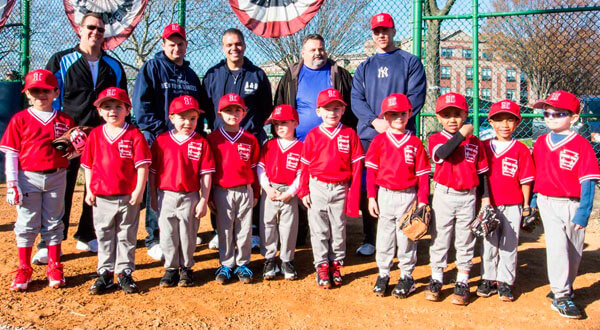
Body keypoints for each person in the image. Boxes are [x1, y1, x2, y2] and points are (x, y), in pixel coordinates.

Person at [44, 12, 128, 264]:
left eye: (101, 30)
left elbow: (121, 100)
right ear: (80, 29)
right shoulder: (61, 60)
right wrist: (59, 131)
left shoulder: (113, 65)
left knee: (96, 186)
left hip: (101, 135)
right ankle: (51, 240)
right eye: (91, 27)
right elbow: (50, 95)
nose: (96, 32)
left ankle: (86, 233)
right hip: (68, 135)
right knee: (61, 187)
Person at [351, 12, 426, 257]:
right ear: (372, 35)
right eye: (376, 31)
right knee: (369, 187)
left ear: (394, 32)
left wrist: (393, 123)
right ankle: (370, 238)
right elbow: (356, 100)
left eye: (386, 30)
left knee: (403, 186)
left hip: (401, 136)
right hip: (371, 135)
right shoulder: (364, 67)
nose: (381, 35)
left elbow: (416, 97)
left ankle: (403, 238)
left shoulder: (410, 62)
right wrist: (375, 121)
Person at [274, 33, 357, 247]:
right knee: (300, 189)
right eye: (312, 49)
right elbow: (280, 104)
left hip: (330, 146)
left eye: (321, 49)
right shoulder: (292, 74)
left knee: (325, 195)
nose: (318, 53)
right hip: (299, 144)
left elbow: (350, 108)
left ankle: (330, 242)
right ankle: (299, 238)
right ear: (303, 53)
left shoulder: (338, 73)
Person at [132, 23, 205, 262]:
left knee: (185, 184)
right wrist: (163, 133)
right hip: (160, 140)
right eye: (171, 43)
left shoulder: (192, 75)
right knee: (159, 188)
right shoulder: (152, 68)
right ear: (163, 45)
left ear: (186, 45)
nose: (176, 47)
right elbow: (141, 108)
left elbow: (199, 110)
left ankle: (182, 232)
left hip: (187, 140)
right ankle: (154, 237)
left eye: (180, 43)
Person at [0, 69, 75, 291]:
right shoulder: (20, 118)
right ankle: (24, 267)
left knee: (54, 221)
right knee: (27, 222)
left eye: (46, 90)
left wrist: (76, 147)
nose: (41, 94)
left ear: (55, 92)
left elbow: (70, 153)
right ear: (28, 94)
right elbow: (12, 152)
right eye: (35, 90)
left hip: (57, 175)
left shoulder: (65, 119)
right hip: (28, 177)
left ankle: (54, 264)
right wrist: (12, 183)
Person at [531, 91, 599, 319]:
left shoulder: (581, 145)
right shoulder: (540, 142)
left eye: (558, 114)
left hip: (573, 204)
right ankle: (561, 295)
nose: (550, 118)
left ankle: (564, 288)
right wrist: (532, 201)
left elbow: (588, 181)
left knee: (574, 252)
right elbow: (536, 175)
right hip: (547, 201)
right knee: (558, 248)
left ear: (574, 118)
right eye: (547, 113)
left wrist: (583, 213)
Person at [203, 28, 272, 250]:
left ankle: (252, 231)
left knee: (250, 184)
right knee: (220, 183)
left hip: (249, 140)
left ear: (244, 45)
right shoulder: (213, 74)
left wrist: (252, 130)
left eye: (238, 44)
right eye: (229, 45)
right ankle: (218, 230)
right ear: (223, 48)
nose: (234, 48)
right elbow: (206, 107)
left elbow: (265, 108)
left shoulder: (257, 74)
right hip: (221, 141)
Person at [82, 87, 151, 295]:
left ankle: (124, 272)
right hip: (102, 196)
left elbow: (142, 166)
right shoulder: (95, 135)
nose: (113, 110)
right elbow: (88, 165)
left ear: (128, 110)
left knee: (127, 235)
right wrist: (89, 189)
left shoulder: (134, 134)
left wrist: (139, 190)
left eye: (118, 106)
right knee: (104, 234)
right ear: (100, 112)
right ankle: (105, 272)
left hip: (128, 196)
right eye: (107, 107)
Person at [425, 93, 489, 306]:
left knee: (465, 238)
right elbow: (442, 153)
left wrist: (486, 198)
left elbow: (482, 173)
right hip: (444, 195)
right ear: (438, 117)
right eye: (446, 115)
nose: (452, 119)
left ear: (465, 114)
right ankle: (436, 278)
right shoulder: (435, 138)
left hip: (469, 196)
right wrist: (462, 134)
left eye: (457, 114)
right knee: (440, 236)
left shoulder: (475, 142)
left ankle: (462, 279)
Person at [298, 88, 364, 289]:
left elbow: (358, 164)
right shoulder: (313, 135)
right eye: (327, 109)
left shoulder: (349, 133)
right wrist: (303, 190)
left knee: (338, 228)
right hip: (317, 185)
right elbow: (304, 166)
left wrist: (354, 191)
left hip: (340, 188)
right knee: (319, 229)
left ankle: (336, 263)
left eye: (336, 108)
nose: (332, 113)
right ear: (318, 111)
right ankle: (321, 265)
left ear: (343, 110)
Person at [366, 94, 430, 298]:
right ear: (385, 117)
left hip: (408, 196)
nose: (398, 118)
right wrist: (371, 197)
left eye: (402, 113)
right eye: (392, 114)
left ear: (410, 113)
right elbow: (371, 172)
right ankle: (383, 273)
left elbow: (422, 176)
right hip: (384, 194)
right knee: (384, 237)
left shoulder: (415, 143)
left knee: (406, 238)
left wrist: (423, 201)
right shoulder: (379, 141)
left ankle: (406, 276)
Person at [149, 95, 214, 288]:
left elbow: (206, 174)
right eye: (182, 117)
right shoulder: (161, 141)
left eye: (193, 118)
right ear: (171, 118)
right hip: (166, 194)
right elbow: (152, 173)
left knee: (188, 233)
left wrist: (204, 200)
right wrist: (153, 196)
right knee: (168, 233)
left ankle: (186, 267)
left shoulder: (201, 142)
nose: (188, 122)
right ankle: (170, 268)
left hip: (190, 195)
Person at [477, 100, 535, 302]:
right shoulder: (484, 146)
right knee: (489, 243)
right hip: (489, 204)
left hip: (513, 203)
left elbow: (526, 180)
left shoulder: (521, 149)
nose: (504, 124)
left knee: (509, 244)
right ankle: (488, 278)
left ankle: (505, 282)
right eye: (499, 119)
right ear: (491, 122)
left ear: (517, 123)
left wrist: (527, 206)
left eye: (510, 120)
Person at [207, 93, 259, 284]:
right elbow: (209, 171)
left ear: (244, 113)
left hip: (245, 189)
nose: (233, 114)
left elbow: (254, 167)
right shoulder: (213, 139)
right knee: (225, 228)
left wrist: (256, 191)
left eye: (238, 110)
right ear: (220, 114)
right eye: (228, 110)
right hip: (222, 190)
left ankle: (243, 263)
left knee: (244, 229)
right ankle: (227, 263)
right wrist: (210, 195)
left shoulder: (249, 139)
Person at [258, 104, 303, 280]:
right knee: (267, 224)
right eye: (276, 124)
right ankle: (269, 258)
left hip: (288, 192)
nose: (279, 127)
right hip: (270, 189)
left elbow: (301, 173)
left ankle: (286, 259)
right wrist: (267, 188)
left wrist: (291, 192)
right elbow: (261, 168)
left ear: (295, 123)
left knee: (288, 227)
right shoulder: (269, 145)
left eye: (284, 123)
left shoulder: (300, 146)